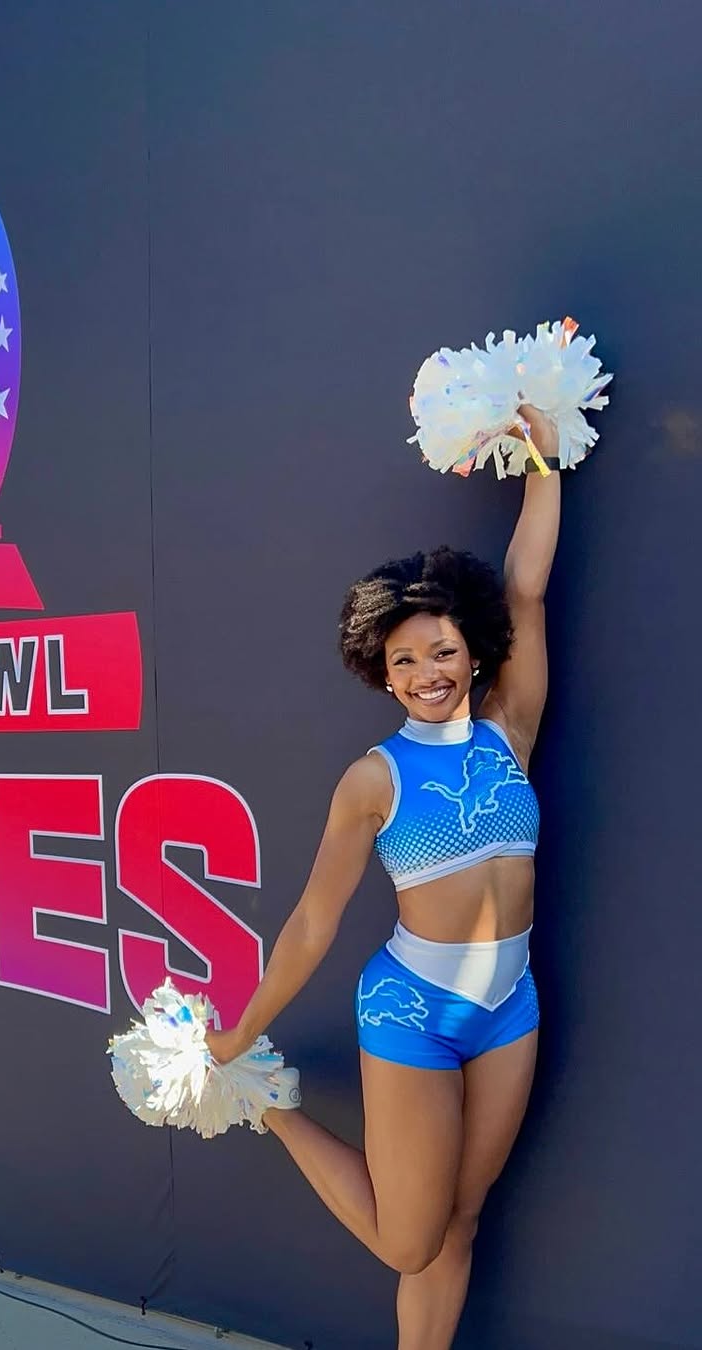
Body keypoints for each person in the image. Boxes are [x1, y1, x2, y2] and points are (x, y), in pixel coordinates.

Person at [206, 405, 560, 1350]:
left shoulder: (511, 730)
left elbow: (526, 590)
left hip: (510, 1006)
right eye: (405, 660)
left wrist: (543, 464)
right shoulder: (375, 779)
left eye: (442, 651)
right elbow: (313, 923)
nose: (427, 673)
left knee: (460, 1226)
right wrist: (240, 1034)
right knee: (411, 1242)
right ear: (383, 672)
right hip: (413, 1010)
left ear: (473, 653)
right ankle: (272, 1111)